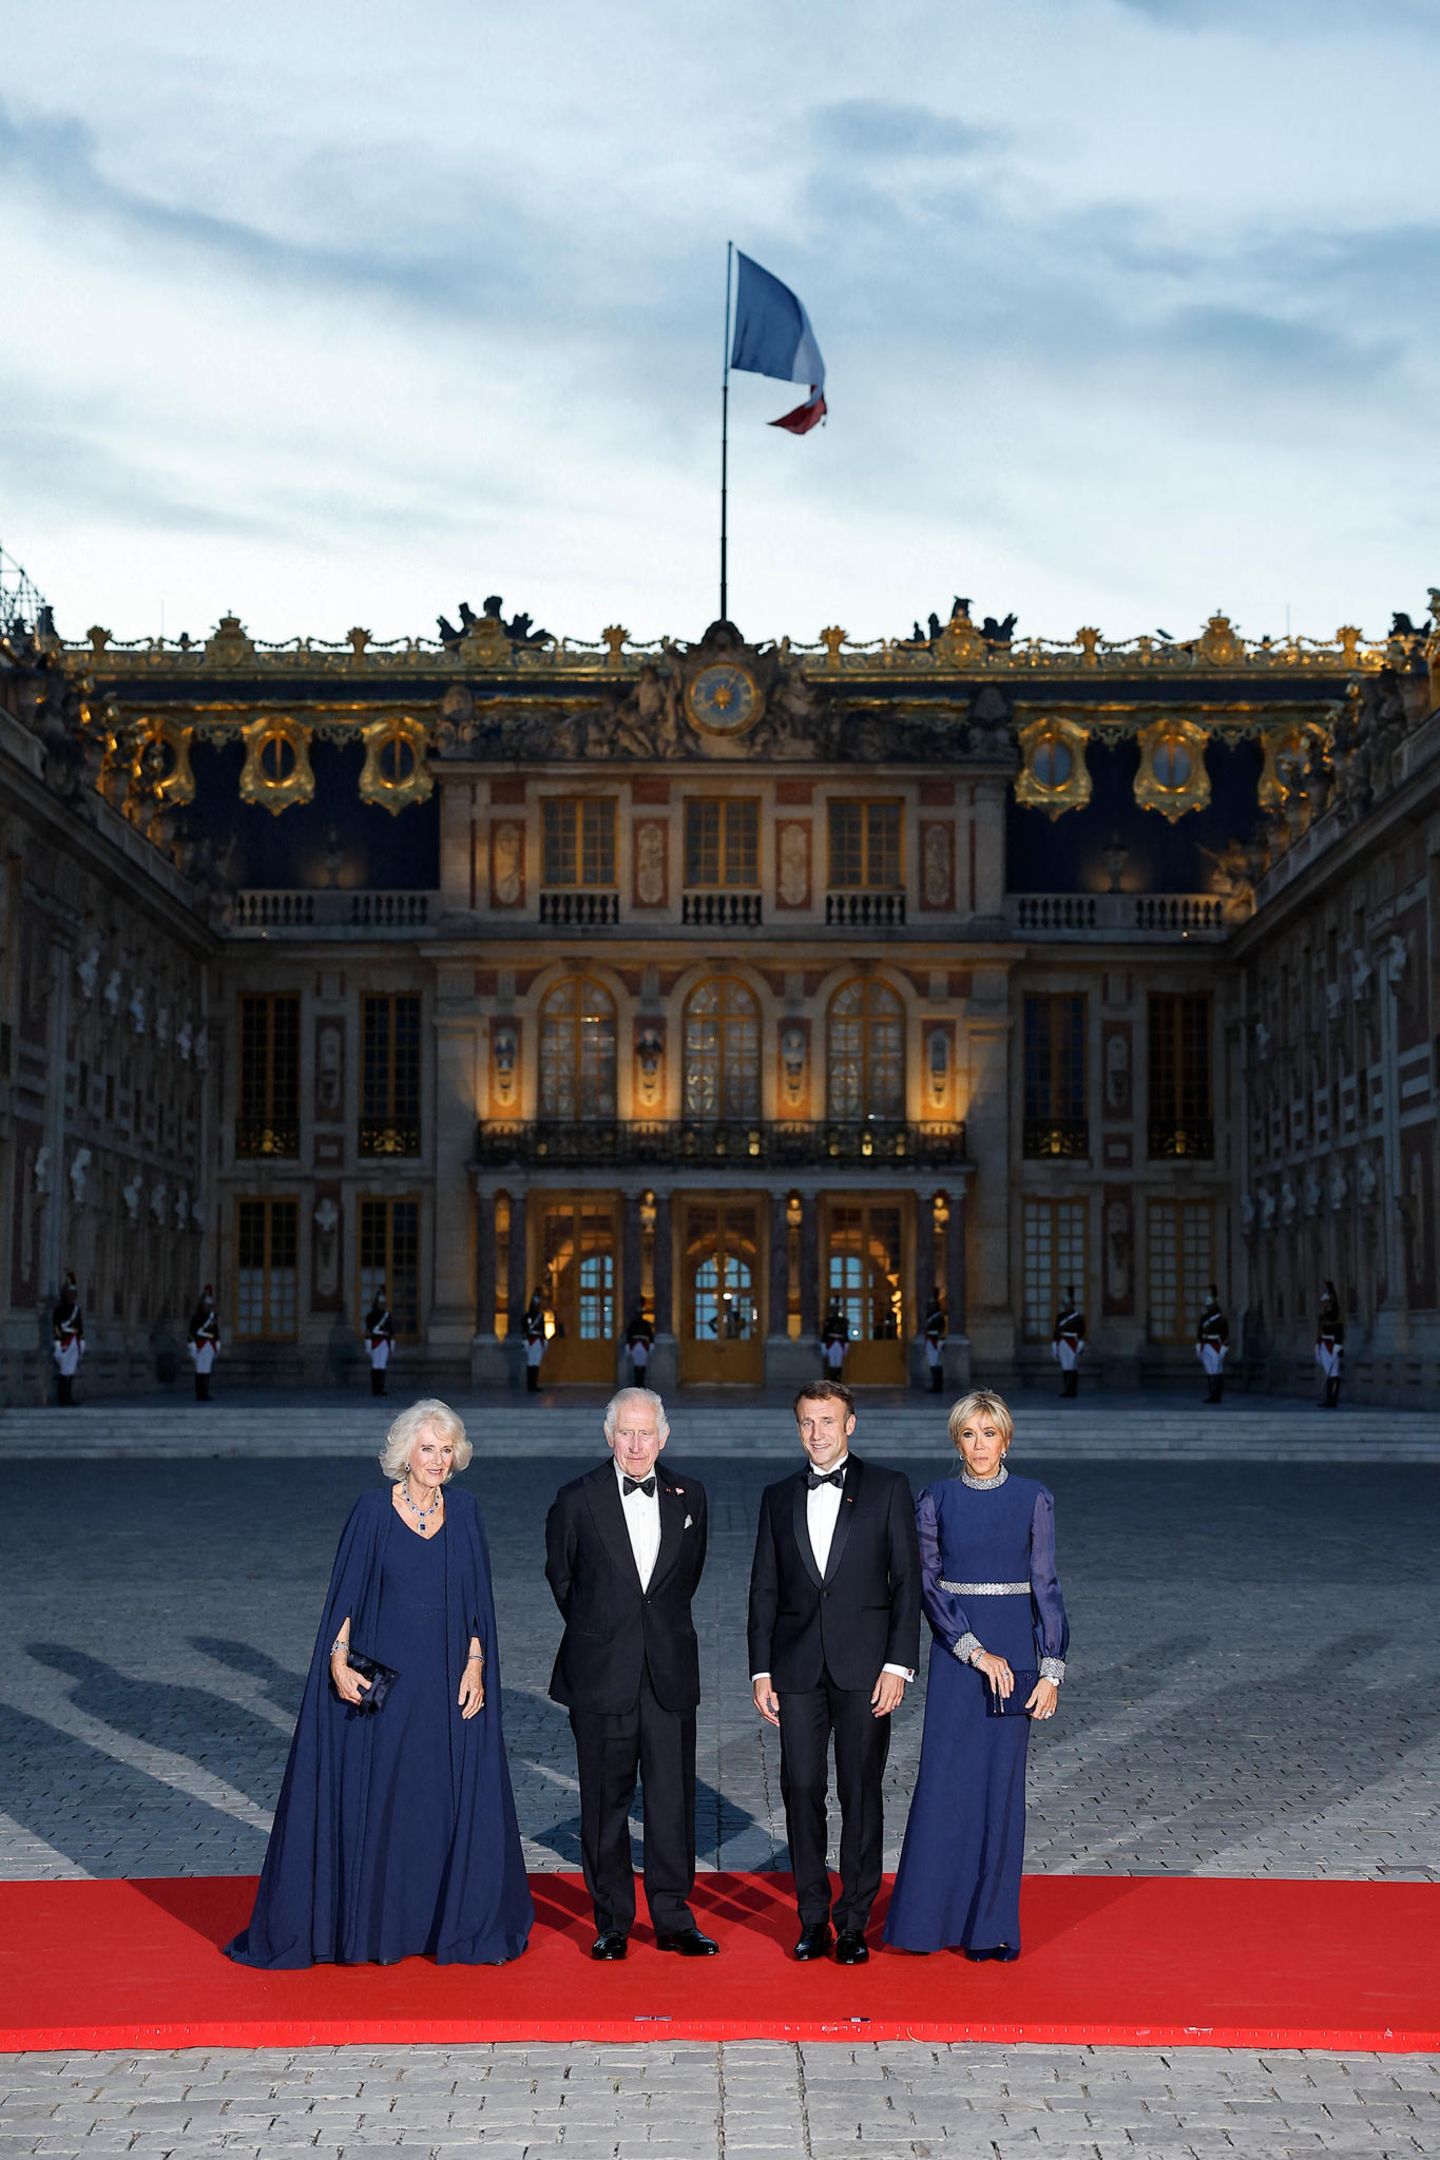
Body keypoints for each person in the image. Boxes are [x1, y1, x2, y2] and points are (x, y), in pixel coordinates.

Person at [225, 1399, 533, 1968]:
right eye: (427, 1448)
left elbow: (478, 1606)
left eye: (446, 1450)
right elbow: (345, 1596)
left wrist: (476, 1665)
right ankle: (375, 1930)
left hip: (446, 1685)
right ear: (404, 1452)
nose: (437, 1459)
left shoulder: (466, 1512)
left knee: (438, 1803)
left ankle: (441, 1926)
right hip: (386, 1687)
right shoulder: (371, 1511)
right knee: (385, 1801)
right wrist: (338, 1660)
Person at [885, 1389, 1068, 1963]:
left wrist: (1051, 1670)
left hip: (1015, 1659)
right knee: (944, 1782)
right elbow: (927, 1583)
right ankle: (923, 1923)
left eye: (990, 1434)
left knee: (999, 1788)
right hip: (958, 1656)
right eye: (969, 1434)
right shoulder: (934, 1499)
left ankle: (990, 1928)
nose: (980, 1445)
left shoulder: (1034, 1497)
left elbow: (1046, 1586)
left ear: (1006, 1439)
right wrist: (973, 1651)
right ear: (956, 1441)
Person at [747, 1382, 920, 1965]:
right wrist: (761, 1670)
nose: (816, 1433)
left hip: (867, 1669)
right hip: (795, 1670)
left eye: (827, 1421)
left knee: (860, 1792)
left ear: (851, 1424)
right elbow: (763, 1589)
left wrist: (898, 1664)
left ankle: (854, 1922)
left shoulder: (889, 1488)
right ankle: (813, 1917)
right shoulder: (777, 1496)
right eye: (806, 1422)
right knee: (800, 1790)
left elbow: (908, 1583)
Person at [545, 1387, 714, 1961]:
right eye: (626, 1432)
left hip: (669, 1672)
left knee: (672, 1801)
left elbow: (685, 1579)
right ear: (609, 1436)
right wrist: (604, 1631)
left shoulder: (692, 1496)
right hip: (601, 1673)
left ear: (663, 1437)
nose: (636, 1444)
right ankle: (612, 1921)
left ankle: (673, 1918)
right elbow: (562, 1578)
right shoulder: (576, 1498)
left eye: (646, 1433)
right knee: (604, 1803)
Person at [52, 1272, 84, 1407]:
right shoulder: (59, 1310)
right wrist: (57, 1343)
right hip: (64, 1341)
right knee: (64, 1371)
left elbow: (79, 1326)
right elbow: (56, 1327)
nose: (72, 1295)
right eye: (69, 1293)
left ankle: (68, 1397)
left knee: (71, 1371)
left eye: (73, 1293)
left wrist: (82, 1342)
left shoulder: (77, 1309)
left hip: (74, 1342)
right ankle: (63, 1398)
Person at [187, 1286, 221, 1402]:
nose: (207, 1306)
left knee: (207, 1370)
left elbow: (215, 1332)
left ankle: (204, 1392)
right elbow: (192, 1333)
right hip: (200, 1346)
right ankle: (200, 1393)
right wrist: (192, 1347)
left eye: (209, 1305)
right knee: (199, 1370)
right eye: (205, 1304)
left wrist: (217, 1344)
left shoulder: (212, 1318)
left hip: (210, 1345)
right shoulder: (196, 1318)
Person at [1195, 1287, 1228, 1404]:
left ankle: (1217, 1395)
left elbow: (1225, 1335)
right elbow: (1199, 1333)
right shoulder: (1204, 1318)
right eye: (1208, 1305)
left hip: (1216, 1346)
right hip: (1206, 1345)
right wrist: (1199, 1345)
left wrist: (1224, 1348)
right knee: (1209, 1372)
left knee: (1217, 1371)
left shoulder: (1221, 1320)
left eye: (1211, 1305)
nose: (1209, 1307)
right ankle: (1212, 1395)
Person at [1051, 1288, 1085, 1398]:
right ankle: (1066, 1389)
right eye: (1065, 1304)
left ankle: (1072, 1390)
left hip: (1073, 1343)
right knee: (1065, 1367)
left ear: (1072, 1305)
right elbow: (1056, 1331)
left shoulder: (1078, 1318)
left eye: (1069, 1304)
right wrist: (1054, 1344)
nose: (1067, 1306)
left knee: (1073, 1367)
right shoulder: (1060, 1317)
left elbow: (1081, 1331)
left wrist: (1079, 1344)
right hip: (1062, 1343)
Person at [1316, 1282, 1344, 1409]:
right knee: (1329, 1373)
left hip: (1332, 1345)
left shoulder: (1335, 1314)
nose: (1323, 1305)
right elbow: (1319, 1331)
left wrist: (1337, 1347)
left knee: (1334, 1373)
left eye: (1325, 1303)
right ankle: (1328, 1398)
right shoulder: (1323, 1316)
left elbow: (1339, 1330)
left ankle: (1333, 1400)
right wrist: (1317, 1346)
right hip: (1323, 1345)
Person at [364, 1286, 394, 1399]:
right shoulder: (370, 1317)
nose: (382, 1305)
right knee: (376, 1365)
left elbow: (391, 1331)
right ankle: (375, 1388)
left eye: (383, 1303)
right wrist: (368, 1346)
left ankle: (380, 1388)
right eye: (380, 1303)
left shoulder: (387, 1315)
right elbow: (368, 1331)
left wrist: (391, 1345)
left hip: (384, 1342)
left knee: (382, 1365)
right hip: (375, 1342)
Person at [523, 1288, 547, 1393]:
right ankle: (530, 1385)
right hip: (531, 1340)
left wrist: (544, 1341)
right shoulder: (526, 1316)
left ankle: (534, 1384)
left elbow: (543, 1329)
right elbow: (525, 1330)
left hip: (538, 1341)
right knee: (531, 1363)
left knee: (536, 1363)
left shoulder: (541, 1316)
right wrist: (525, 1341)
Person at [625, 1306, 654, 1386]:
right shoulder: (634, 1324)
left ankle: (640, 1383)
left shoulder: (645, 1324)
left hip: (642, 1345)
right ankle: (638, 1383)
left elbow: (650, 1335)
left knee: (641, 1364)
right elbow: (629, 1335)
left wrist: (651, 1345)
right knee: (637, 1364)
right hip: (636, 1345)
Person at [923, 1295, 947, 1394]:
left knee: (936, 1363)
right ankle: (935, 1385)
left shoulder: (939, 1317)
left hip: (936, 1341)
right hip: (930, 1341)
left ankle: (937, 1386)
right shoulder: (930, 1316)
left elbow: (940, 1331)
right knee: (932, 1363)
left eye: (932, 1305)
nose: (930, 1307)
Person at [820, 1304, 850, 1381]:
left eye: (836, 1309)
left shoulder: (843, 1321)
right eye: (834, 1309)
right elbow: (825, 1333)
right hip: (831, 1342)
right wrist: (823, 1344)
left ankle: (837, 1379)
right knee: (832, 1362)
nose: (835, 1311)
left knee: (838, 1362)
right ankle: (832, 1379)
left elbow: (845, 1333)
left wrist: (846, 1344)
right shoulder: (828, 1320)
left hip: (840, 1342)